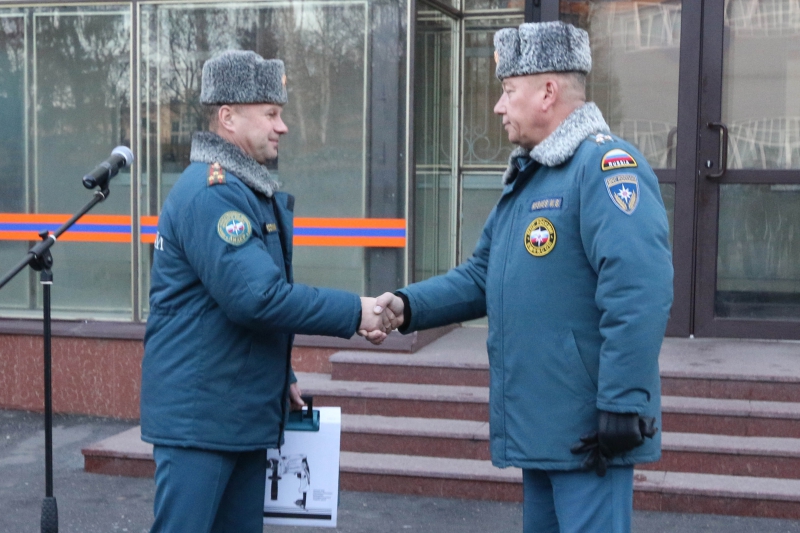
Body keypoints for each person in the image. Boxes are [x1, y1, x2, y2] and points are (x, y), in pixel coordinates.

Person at [373, 21, 673, 533]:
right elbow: (482, 275)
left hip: (591, 431)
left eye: (509, 90)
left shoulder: (605, 166)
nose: (498, 106)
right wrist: (407, 305)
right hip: (544, 427)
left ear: (547, 92)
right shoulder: (532, 175)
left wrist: (623, 403)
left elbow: (639, 290)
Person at [140, 50, 393, 533]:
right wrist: (356, 311)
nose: (283, 126)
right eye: (271, 114)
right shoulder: (214, 192)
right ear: (228, 117)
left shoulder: (242, 188)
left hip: (233, 413)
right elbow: (257, 298)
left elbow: (232, 302)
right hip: (203, 420)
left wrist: (281, 374)